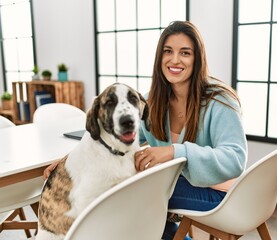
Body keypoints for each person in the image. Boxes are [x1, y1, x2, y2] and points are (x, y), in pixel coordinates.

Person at [44, 21, 247, 240]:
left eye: (185, 53)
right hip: (179, 185)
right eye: (168, 51)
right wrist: (70, 161)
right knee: (138, 194)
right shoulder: (155, 100)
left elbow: (235, 159)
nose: (175, 59)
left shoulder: (220, 100)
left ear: (197, 59)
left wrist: (174, 151)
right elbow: (122, 137)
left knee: (133, 193)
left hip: (223, 194)